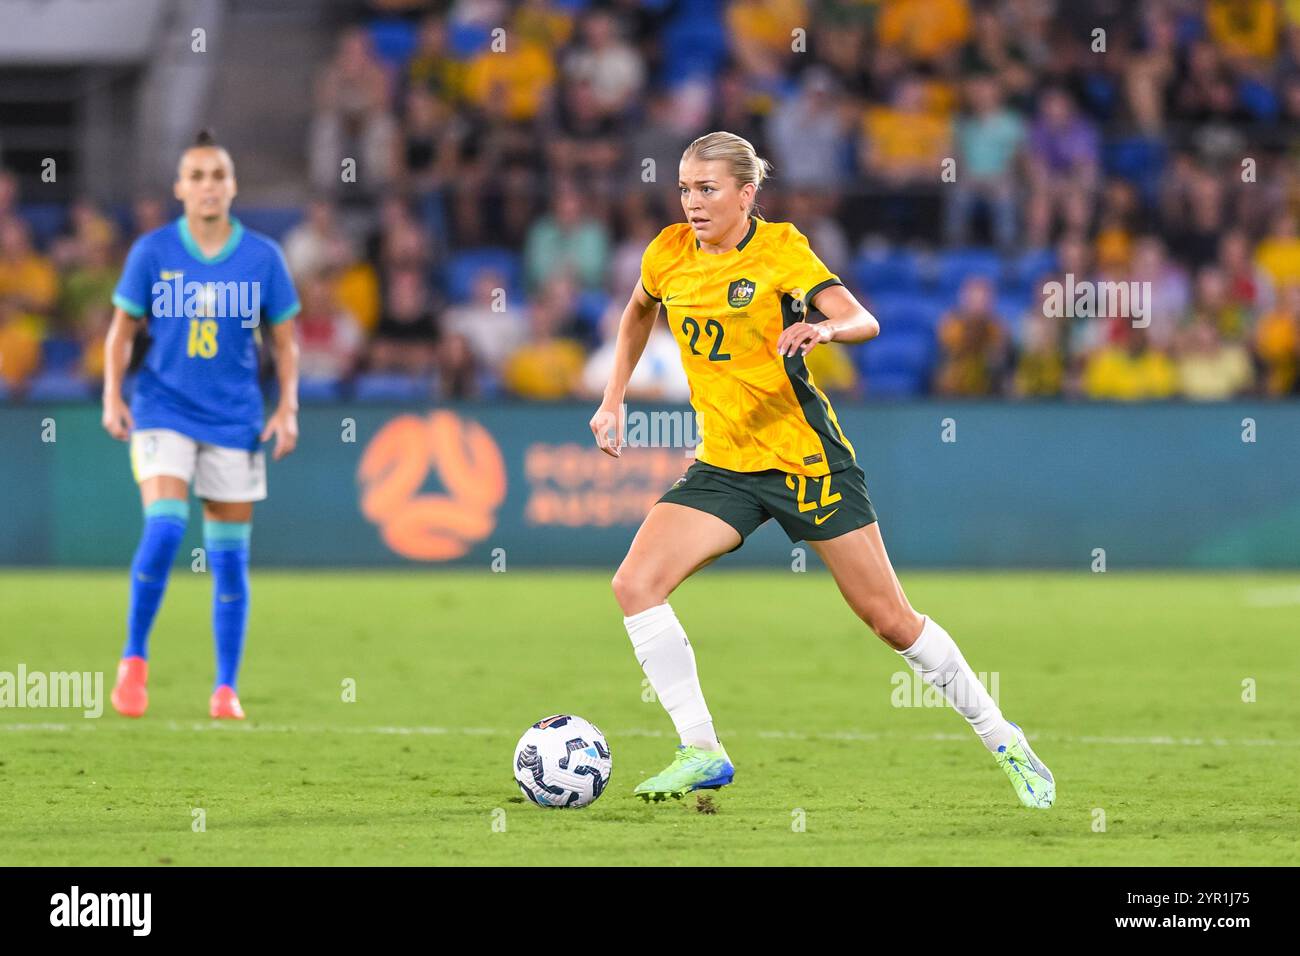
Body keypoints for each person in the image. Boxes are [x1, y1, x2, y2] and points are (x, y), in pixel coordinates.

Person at [588, 131, 1055, 808]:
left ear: (746, 194)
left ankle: (1002, 736)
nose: (693, 202)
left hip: (807, 463)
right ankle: (702, 749)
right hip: (724, 464)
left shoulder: (780, 250)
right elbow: (637, 311)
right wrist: (613, 398)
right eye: (686, 188)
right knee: (635, 584)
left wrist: (823, 331)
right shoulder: (667, 252)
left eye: (708, 189)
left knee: (891, 620)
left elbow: (860, 318)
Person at [101, 130, 301, 720]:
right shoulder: (152, 252)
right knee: (165, 526)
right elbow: (121, 332)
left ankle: (224, 688)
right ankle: (134, 660)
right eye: (197, 176)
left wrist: (286, 407)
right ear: (180, 188)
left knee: (229, 559)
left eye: (218, 175)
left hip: (235, 419)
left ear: (233, 186)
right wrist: (113, 395)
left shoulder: (263, 256)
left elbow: (285, 346)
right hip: (162, 408)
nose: (208, 186)